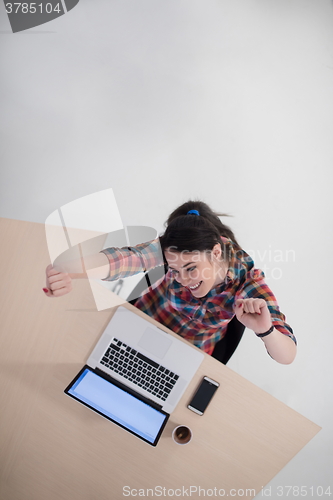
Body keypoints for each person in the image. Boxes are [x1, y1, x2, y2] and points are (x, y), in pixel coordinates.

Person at [43, 200, 297, 365]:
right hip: (138, 323)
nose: (184, 280)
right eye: (174, 270)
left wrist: (266, 331)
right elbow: (119, 260)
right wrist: (65, 270)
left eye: (191, 268)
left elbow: (288, 355)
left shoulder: (246, 280)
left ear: (216, 252)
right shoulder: (170, 249)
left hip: (186, 354)